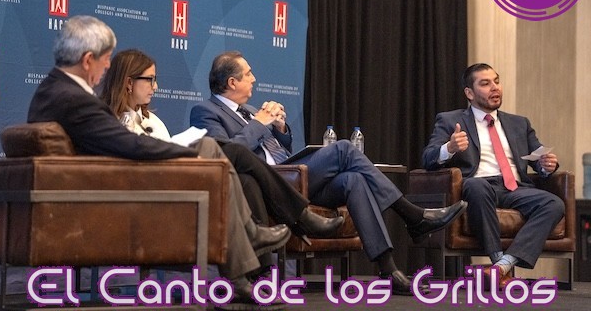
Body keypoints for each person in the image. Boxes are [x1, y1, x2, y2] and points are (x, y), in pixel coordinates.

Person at [26, 15, 291, 308]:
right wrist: (184, 152)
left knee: (210, 149)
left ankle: (244, 262)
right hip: (114, 196)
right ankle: (248, 243)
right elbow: (128, 144)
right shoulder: (74, 98)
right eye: (106, 59)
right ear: (88, 60)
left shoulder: (53, 90)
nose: (108, 66)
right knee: (209, 149)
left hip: (106, 185)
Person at [189, 51, 469, 295]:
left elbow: (281, 150)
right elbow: (229, 154)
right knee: (344, 148)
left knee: (354, 179)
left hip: (291, 175)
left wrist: (280, 128)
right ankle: (412, 215)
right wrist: (260, 123)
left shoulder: (250, 110)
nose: (254, 79)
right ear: (232, 82)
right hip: (267, 184)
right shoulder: (205, 111)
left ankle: (389, 270)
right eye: (248, 74)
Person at [98, 49, 344, 277]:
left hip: (184, 184)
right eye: (150, 80)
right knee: (232, 150)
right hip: (155, 194)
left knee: (246, 179)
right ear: (129, 83)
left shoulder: (154, 121)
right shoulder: (112, 123)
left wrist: (278, 128)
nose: (156, 86)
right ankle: (300, 216)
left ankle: (260, 272)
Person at [422, 63, 564, 288]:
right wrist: (449, 148)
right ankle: (499, 261)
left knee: (554, 204)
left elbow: (538, 161)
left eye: (496, 81)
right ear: (469, 93)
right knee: (476, 186)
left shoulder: (519, 123)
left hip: (515, 188)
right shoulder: (450, 120)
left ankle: (500, 267)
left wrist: (547, 165)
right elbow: (428, 158)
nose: (495, 88)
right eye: (485, 84)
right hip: (479, 186)